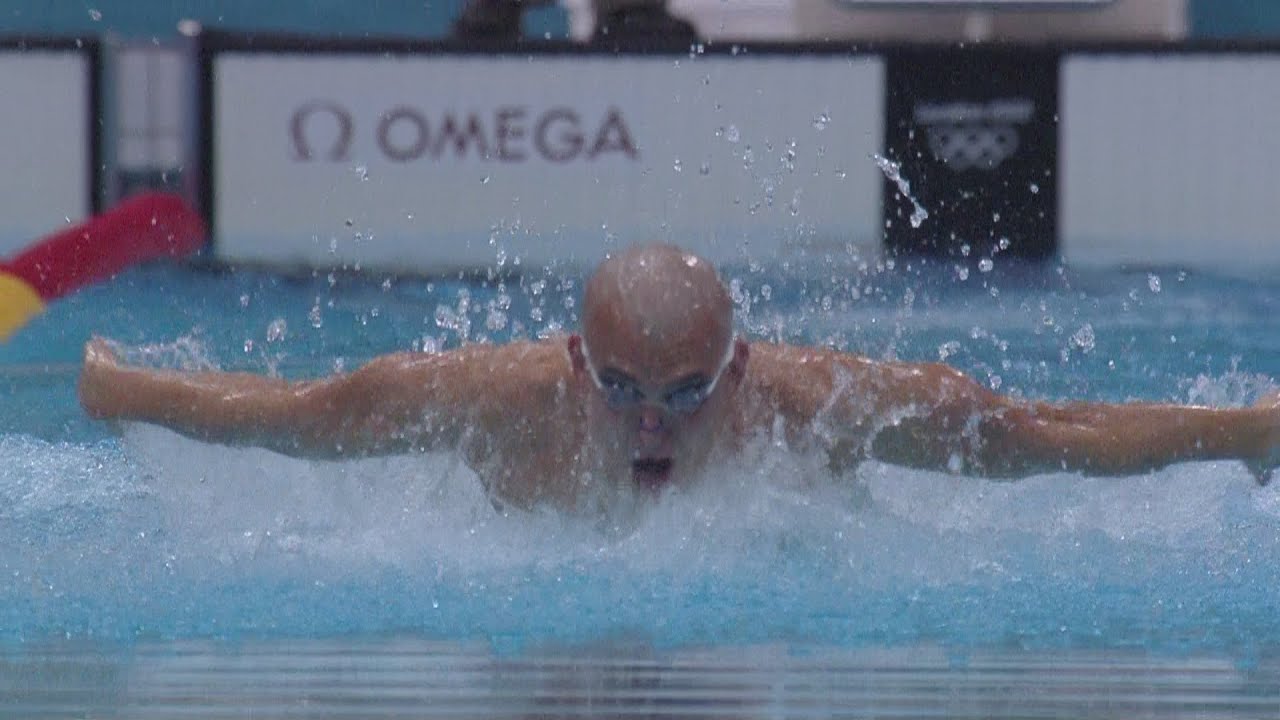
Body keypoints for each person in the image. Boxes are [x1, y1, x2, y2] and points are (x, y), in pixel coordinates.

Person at [79, 243, 1280, 511]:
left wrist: (1240, 431)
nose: (649, 424)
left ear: (736, 366)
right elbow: (298, 416)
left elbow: (1043, 431)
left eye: (684, 394)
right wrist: (122, 391)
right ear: (574, 361)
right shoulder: (489, 399)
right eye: (622, 389)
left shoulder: (818, 403)